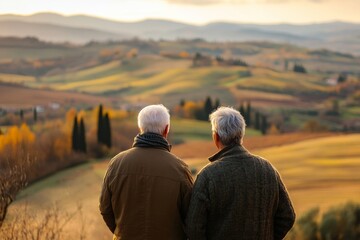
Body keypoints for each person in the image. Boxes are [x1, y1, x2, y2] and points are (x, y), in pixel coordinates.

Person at [186, 106, 295, 240]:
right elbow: (287, 216)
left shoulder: (208, 176)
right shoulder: (268, 169)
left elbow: (194, 229)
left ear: (216, 137)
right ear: (241, 134)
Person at [100, 104, 193, 240]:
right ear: (166, 129)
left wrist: (122, 232)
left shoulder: (116, 164)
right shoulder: (180, 169)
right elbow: (191, 215)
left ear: (140, 128)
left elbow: (105, 208)